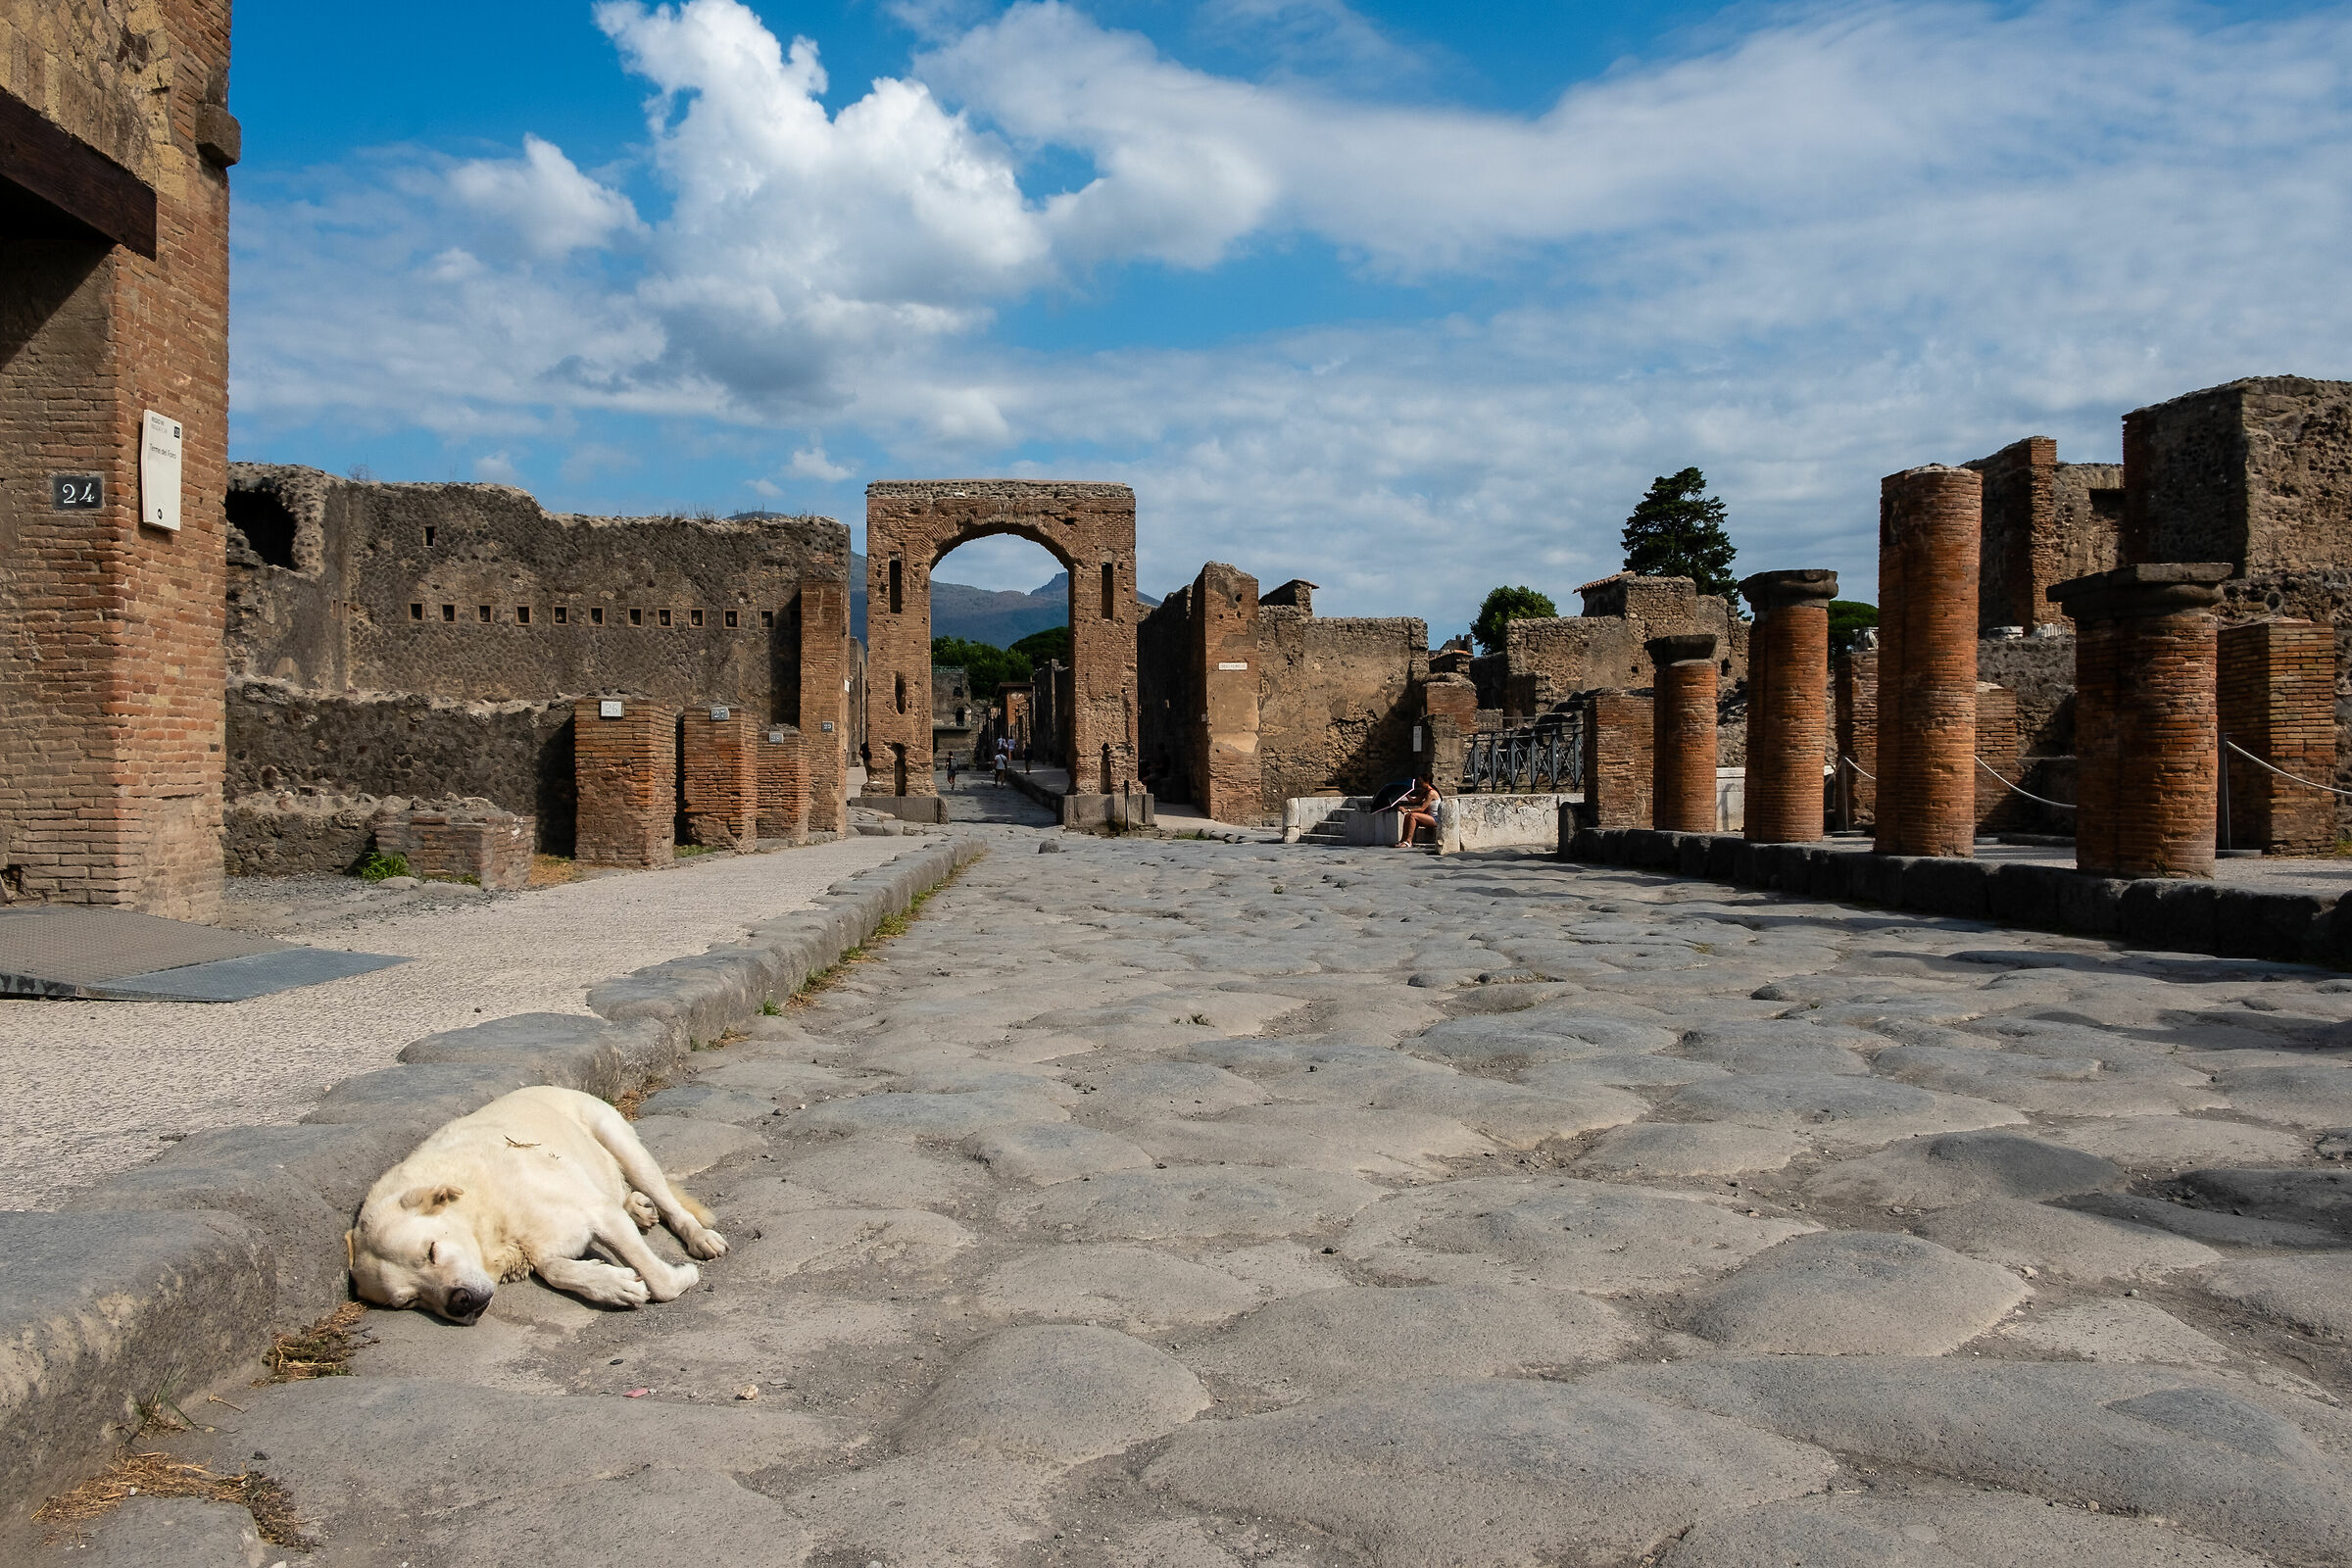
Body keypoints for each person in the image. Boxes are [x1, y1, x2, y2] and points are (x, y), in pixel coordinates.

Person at [1394, 776, 1441, 849]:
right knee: (1407, 816)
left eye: (1421, 782)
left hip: (1436, 819)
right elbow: (1414, 801)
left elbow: (1422, 809)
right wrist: (1406, 794)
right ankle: (1403, 840)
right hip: (1430, 817)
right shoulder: (1425, 792)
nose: (1419, 784)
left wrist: (1406, 810)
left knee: (1413, 816)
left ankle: (1409, 841)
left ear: (1427, 782)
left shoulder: (1431, 793)